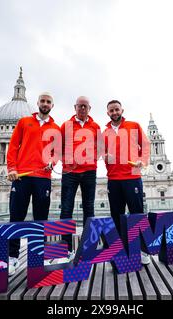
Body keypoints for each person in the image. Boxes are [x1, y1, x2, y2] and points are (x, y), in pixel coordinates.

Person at [6, 92, 61, 275]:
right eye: (43, 101)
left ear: (52, 105)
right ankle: (12, 258)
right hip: (21, 176)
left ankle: (38, 258)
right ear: (37, 103)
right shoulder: (24, 122)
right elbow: (13, 146)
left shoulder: (56, 128)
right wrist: (12, 169)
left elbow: (57, 152)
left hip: (43, 178)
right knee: (16, 217)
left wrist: (52, 162)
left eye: (48, 102)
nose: (45, 104)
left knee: (40, 219)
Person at [102, 99, 151, 265]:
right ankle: (119, 251)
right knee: (117, 216)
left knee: (137, 214)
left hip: (133, 177)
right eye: (111, 110)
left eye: (117, 109)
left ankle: (142, 251)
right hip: (113, 179)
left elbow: (145, 146)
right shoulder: (105, 132)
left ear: (122, 110)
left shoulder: (134, 125)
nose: (114, 112)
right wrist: (105, 156)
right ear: (107, 113)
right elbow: (101, 152)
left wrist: (142, 161)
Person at [59, 96, 102, 260]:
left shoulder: (95, 126)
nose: (82, 109)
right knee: (66, 209)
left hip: (89, 172)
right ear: (74, 107)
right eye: (79, 106)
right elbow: (58, 146)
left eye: (85, 106)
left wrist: (92, 157)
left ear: (89, 108)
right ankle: (65, 250)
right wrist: (67, 160)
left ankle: (87, 248)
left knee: (89, 209)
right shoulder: (66, 126)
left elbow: (101, 147)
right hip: (69, 173)